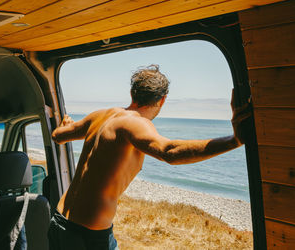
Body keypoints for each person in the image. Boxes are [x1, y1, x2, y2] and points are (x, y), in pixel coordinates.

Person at [48, 65, 250, 250]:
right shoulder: (135, 124)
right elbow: (169, 151)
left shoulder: (101, 115)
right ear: (162, 100)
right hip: (89, 236)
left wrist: (66, 125)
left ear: (132, 93)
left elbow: (57, 136)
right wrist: (234, 141)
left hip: (59, 221)